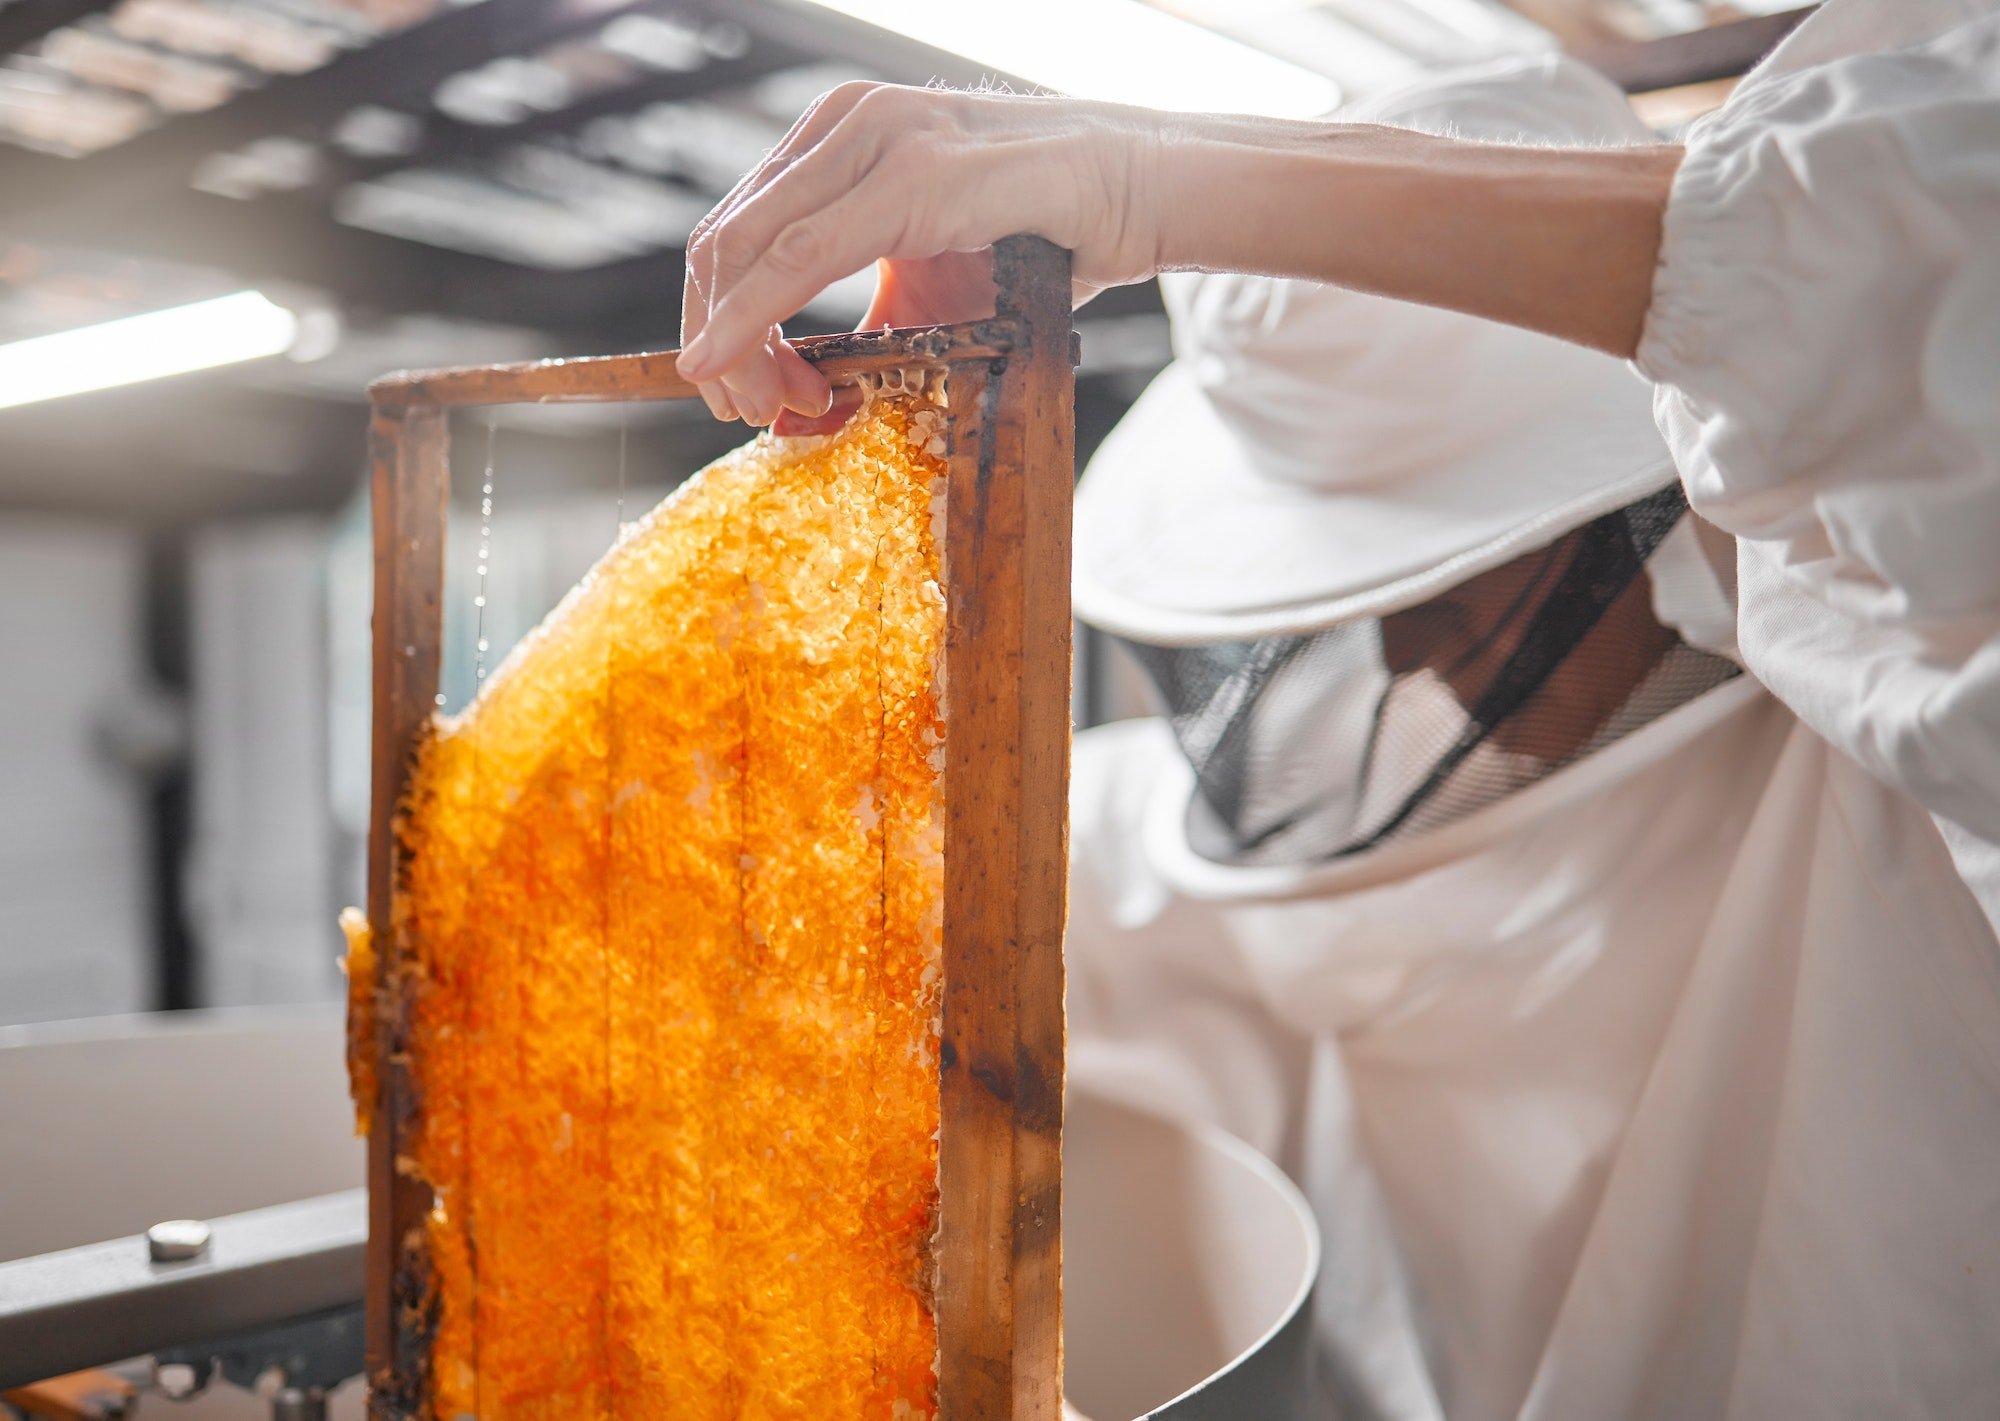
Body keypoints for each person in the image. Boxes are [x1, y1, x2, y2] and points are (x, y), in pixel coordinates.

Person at [680, 3, 2000, 1416]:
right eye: (1355, 597)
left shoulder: (1908, 782)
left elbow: (1935, 270)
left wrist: (1155, 185)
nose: (1403, 659)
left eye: (1457, 577)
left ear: (1656, 510)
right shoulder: (1189, 848)